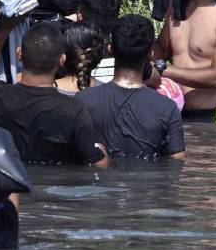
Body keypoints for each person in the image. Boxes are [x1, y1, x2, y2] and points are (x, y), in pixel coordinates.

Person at [0, 16, 108, 166]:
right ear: (62, 60)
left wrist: (4, 29)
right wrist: (102, 151)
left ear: (19, 54)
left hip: (11, 183)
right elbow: (100, 164)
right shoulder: (73, 111)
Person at [77, 15, 186, 159]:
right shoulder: (167, 109)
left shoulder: (82, 102)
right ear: (150, 54)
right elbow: (176, 164)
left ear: (110, 49)